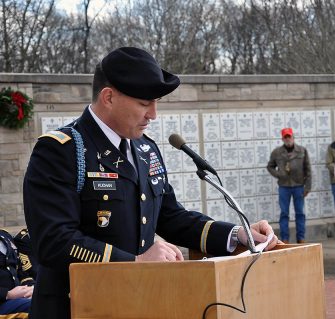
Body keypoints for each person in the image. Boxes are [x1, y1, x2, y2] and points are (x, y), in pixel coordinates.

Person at [23, 47, 278, 319]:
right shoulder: (62, 149)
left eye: (156, 102)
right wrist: (136, 262)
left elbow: (170, 216)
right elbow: (54, 241)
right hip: (75, 306)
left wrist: (237, 234)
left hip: (138, 301)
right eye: (145, 103)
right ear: (108, 97)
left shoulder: (145, 149)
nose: (153, 114)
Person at [267, 127, 312, 244]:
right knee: (284, 214)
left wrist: (308, 186)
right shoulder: (277, 152)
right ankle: (285, 238)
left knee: (300, 213)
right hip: (284, 186)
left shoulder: (302, 150)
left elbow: (308, 170)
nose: (288, 139)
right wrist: (279, 174)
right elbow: (270, 166)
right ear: (282, 138)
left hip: (299, 186)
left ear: (293, 137)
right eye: (285, 137)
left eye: (289, 136)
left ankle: (301, 238)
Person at [0, 229, 34, 317]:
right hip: (3, 301)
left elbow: (21, 271)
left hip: (18, 299)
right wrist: (7, 294)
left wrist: (31, 289)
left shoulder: (5, 235)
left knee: (53, 300)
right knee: (39, 306)